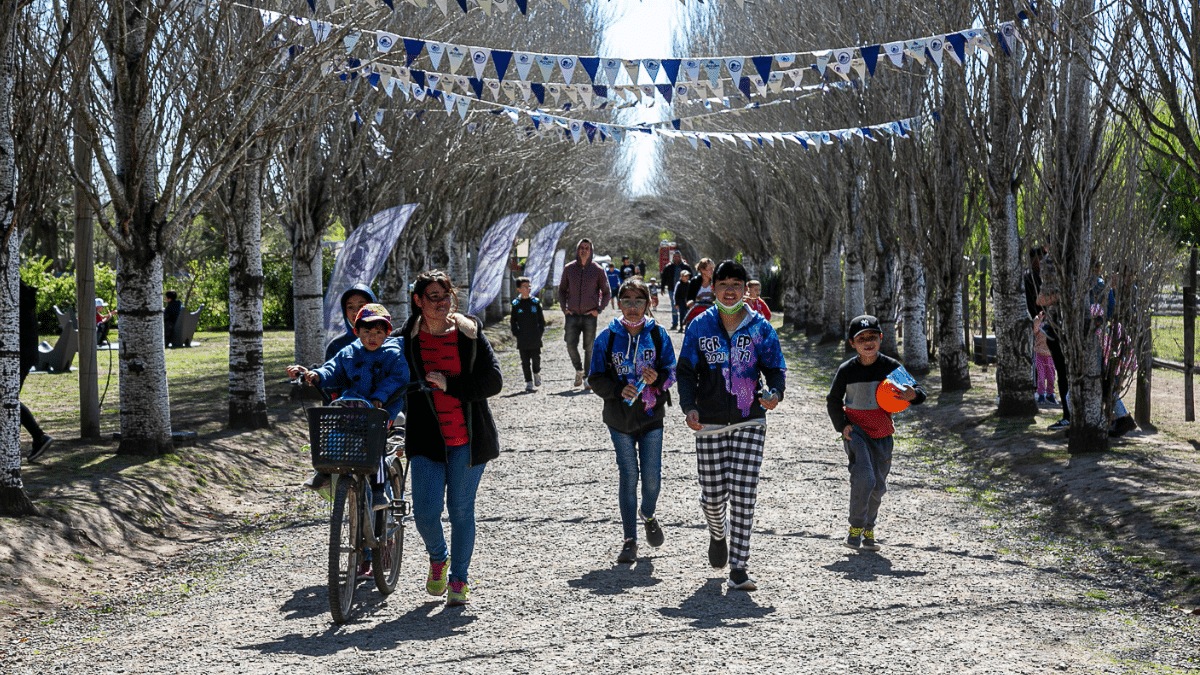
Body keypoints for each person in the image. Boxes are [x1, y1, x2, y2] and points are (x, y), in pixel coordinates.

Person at [677, 260, 787, 591]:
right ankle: (717, 532)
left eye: (736, 284)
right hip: (709, 421)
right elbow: (685, 371)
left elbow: (775, 368)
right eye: (722, 282)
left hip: (749, 418)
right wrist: (689, 406)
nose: (728, 289)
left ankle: (739, 566)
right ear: (713, 287)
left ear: (744, 289)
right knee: (713, 497)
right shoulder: (700, 325)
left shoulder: (761, 328)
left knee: (743, 492)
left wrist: (775, 393)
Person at [395, 270, 502, 607]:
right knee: (425, 514)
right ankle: (438, 557)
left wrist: (450, 386)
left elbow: (494, 382)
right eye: (433, 297)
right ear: (418, 301)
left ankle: (459, 580)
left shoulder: (469, 335)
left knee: (460, 510)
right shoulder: (406, 339)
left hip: (468, 439)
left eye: (445, 295)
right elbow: (376, 362)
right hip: (426, 440)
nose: (441, 303)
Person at [588, 278, 677, 564]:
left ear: (649, 304)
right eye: (627, 300)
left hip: (652, 416)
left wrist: (658, 379)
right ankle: (630, 540)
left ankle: (648, 513)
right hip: (619, 419)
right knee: (629, 476)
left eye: (639, 301)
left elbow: (672, 372)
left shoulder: (659, 335)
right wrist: (617, 389)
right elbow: (595, 377)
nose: (633, 307)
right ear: (618, 303)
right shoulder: (607, 337)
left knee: (651, 478)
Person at [287, 303, 409, 507]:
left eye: (378, 332)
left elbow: (399, 378)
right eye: (367, 331)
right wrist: (317, 374)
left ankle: (379, 490)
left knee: (376, 446)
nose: (372, 337)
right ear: (357, 332)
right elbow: (332, 367)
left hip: (382, 409)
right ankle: (324, 471)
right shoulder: (350, 351)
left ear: (387, 332)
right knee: (334, 431)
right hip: (354, 406)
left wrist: (380, 396)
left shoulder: (393, 353)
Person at [826, 315, 927, 552]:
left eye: (872, 337)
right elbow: (832, 400)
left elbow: (919, 391)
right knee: (865, 478)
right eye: (862, 339)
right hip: (857, 434)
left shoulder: (890, 367)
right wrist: (842, 426)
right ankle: (855, 527)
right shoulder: (846, 370)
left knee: (879, 486)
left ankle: (869, 528)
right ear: (853, 343)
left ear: (880, 339)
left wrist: (913, 396)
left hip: (882, 435)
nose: (868, 342)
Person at [558, 239, 611, 390]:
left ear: (591, 251)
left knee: (589, 347)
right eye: (581, 247)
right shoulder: (569, 269)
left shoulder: (597, 270)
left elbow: (606, 292)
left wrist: (599, 309)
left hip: (590, 315)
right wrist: (564, 308)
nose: (584, 250)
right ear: (577, 250)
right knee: (570, 344)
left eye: (587, 248)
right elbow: (561, 290)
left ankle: (587, 377)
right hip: (572, 314)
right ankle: (578, 370)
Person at [19, 280, 53, 462]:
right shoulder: (20, 293)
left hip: (18, 355)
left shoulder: (12, 294)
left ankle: (39, 437)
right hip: (24, 354)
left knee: (6, 399)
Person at [510, 276, 546, 392]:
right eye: (524, 287)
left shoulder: (535, 302)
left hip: (535, 337)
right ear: (518, 289)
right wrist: (516, 333)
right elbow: (513, 321)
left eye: (529, 286)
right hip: (522, 338)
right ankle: (528, 381)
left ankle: (536, 373)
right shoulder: (516, 304)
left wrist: (540, 331)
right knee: (525, 362)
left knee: (536, 359)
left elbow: (541, 320)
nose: (528, 289)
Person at [325, 284, 377, 360]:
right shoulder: (336, 346)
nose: (355, 312)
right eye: (350, 307)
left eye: (361, 306)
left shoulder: (388, 343)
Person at [660, 250, 693, 330]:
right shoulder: (668, 267)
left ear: (681, 257)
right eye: (675, 256)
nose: (676, 258)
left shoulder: (686, 266)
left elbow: (691, 278)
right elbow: (663, 278)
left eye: (678, 256)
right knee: (674, 306)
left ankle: (685, 323)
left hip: (685, 290)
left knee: (685, 307)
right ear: (673, 257)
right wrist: (662, 288)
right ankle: (675, 323)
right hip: (672, 289)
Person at [683, 258, 716, 327]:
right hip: (697, 312)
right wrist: (690, 302)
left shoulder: (716, 282)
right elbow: (689, 298)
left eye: (713, 269)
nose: (712, 271)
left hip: (712, 313)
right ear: (702, 270)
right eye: (710, 269)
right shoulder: (694, 281)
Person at [1033, 311, 1056, 405]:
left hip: (1050, 354)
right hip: (1039, 353)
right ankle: (1041, 394)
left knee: (1051, 376)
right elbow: (1035, 331)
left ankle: (1050, 394)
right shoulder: (1038, 319)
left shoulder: (1054, 319)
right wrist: (1039, 319)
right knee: (1041, 377)